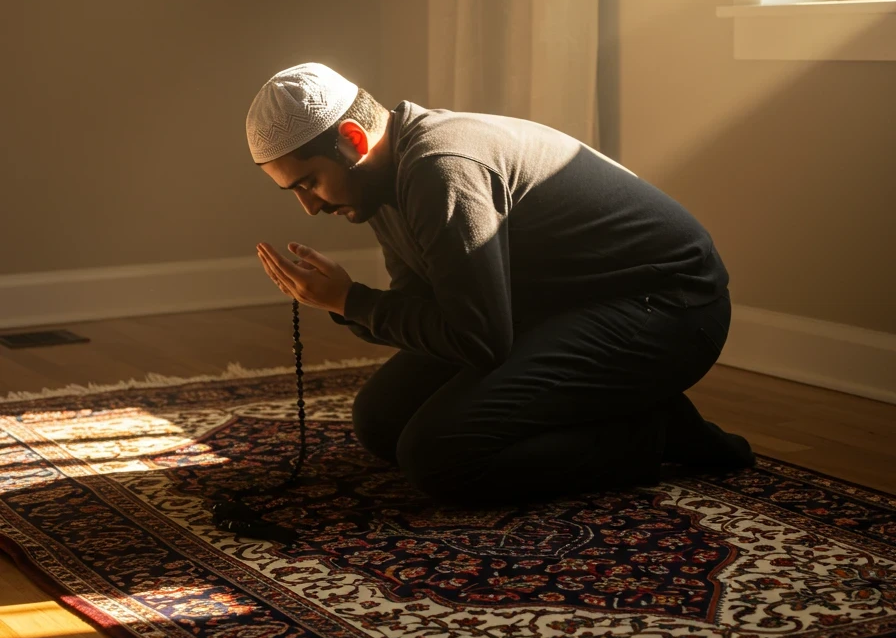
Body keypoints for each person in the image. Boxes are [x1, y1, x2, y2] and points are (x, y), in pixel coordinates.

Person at [246, 62, 754, 507]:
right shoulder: (377, 184)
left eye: (309, 182)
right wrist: (346, 303)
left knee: (438, 459)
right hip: (562, 306)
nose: (310, 206)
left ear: (353, 139)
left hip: (671, 308)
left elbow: (479, 339)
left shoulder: (440, 168)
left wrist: (351, 299)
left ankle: (654, 432)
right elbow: (428, 308)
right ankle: (618, 404)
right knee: (380, 421)